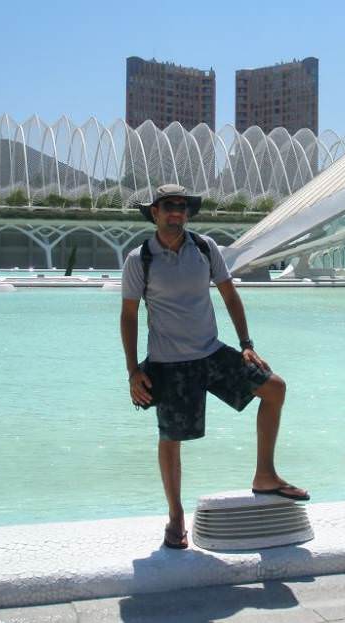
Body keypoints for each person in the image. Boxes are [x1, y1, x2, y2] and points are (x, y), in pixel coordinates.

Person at [120, 184, 309, 550]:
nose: (176, 212)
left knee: (275, 388)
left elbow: (229, 294)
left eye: (182, 206)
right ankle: (175, 518)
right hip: (169, 363)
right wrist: (132, 371)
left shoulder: (205, 249)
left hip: (210, 354)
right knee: (170, 439)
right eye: (168, 206)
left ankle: (265, 475)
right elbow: (128, 316)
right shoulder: (139, 259)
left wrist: (247, 345)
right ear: (155, 213)